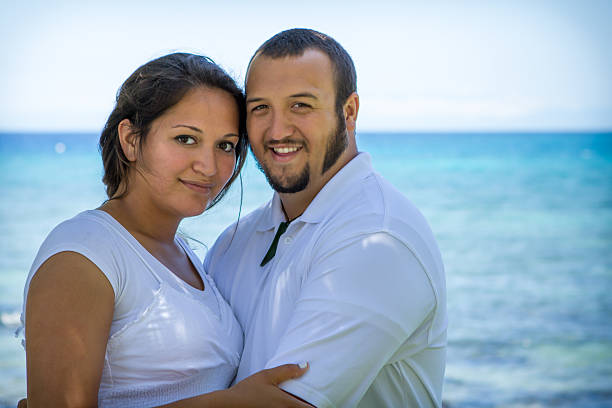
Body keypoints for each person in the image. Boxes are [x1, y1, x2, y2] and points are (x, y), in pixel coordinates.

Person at [18, 52, 311, 408]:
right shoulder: (83, 255)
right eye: (186, 138)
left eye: (225, 145)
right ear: (130, 140)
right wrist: (233, 403)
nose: (208, 166)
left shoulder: (182, 252)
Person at [204, 29, 448, 407]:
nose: (277, 130)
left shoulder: (378, 239)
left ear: (348, 112)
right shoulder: (232, 243)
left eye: (301, 105)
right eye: (260, 108)